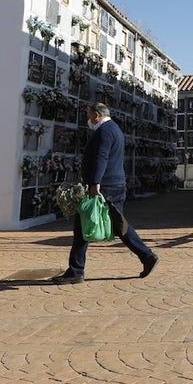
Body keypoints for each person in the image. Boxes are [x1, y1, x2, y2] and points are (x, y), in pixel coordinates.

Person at [51, 102, 158, 284]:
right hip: (113, 184)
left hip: (105, 186)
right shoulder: (113, 128)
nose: (88, 119)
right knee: (118, 225)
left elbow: (102, 156)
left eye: (89, 115)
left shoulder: (105, 131)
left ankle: (76, 271)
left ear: (96, 114)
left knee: (84, 225)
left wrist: (95, 183)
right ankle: (146, 256)